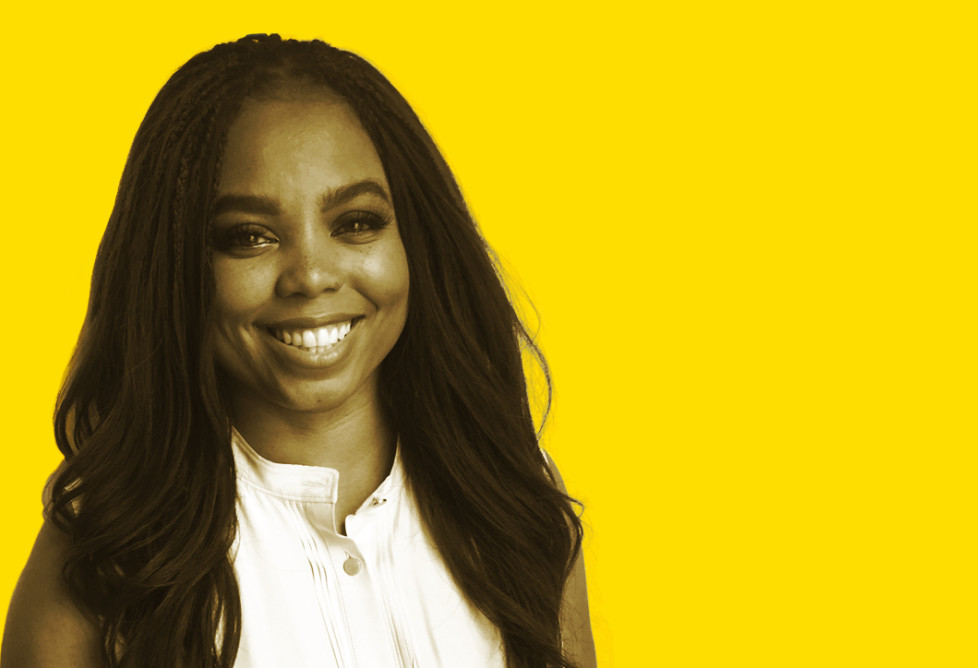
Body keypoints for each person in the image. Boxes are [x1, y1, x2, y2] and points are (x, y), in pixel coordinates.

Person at [1, 34, 594, 668]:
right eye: (249, 236)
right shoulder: (102, 546)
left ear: (415, 240)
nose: (311, 276)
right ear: (175, 268)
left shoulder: (512, 495)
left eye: (356, 223)